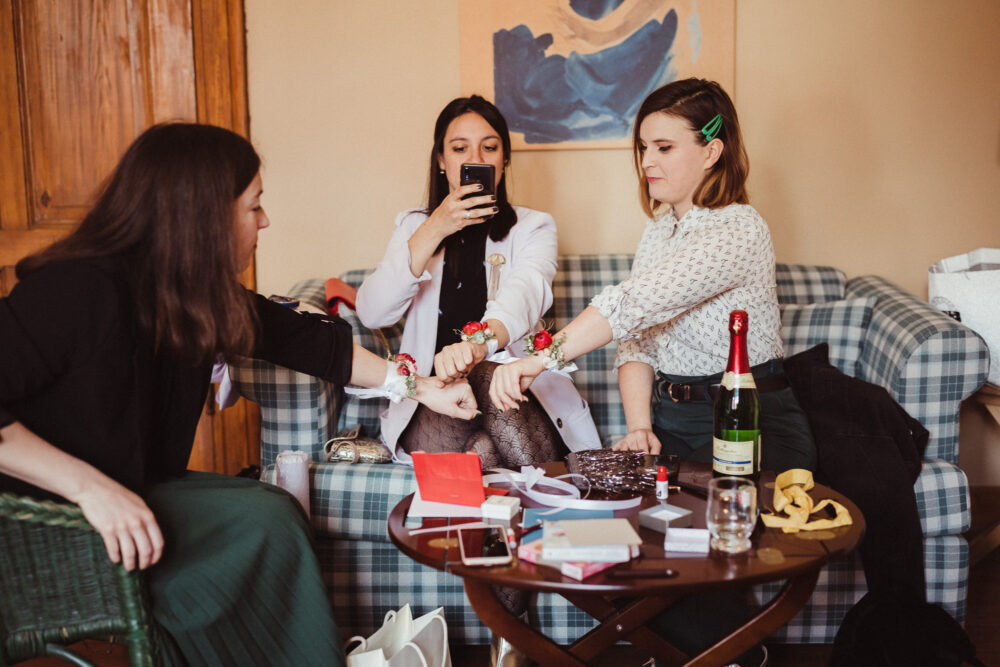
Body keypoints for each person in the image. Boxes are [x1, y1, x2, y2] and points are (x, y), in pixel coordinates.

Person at [0, 123, 477, 667]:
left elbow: (308, 343)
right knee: (262, 524)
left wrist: (421, 388)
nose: (264, 220)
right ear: (203, 215)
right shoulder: (77, 288)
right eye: (254, 206)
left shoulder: (191, 294)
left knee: (273, 510)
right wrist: (91, 489)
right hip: (41, 516)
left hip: (131, 491)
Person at [489, 78, 815, 667]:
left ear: (712, 150)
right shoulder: (659, 229)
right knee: (619, 542)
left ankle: (732, 656)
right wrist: (640, 425)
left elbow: (633, 304)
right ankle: (698, 654)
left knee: (694, 549)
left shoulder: (740, 228)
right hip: (674, 423)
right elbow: (635, 339)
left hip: (746, 422)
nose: (647, 162)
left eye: (664, 147)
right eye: (643, 147)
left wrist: (539, 358)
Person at [356, 95, 600, 470]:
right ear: (441, 160)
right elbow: (373, 313)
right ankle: (557, 495)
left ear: (505, 159)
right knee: (482, 428)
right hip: (435, 402)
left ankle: (520, 497)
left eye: (490, 147)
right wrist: (436, 227)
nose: (477, 159)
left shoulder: (533, 227)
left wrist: (477, 346)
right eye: (460, 148)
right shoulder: (414, 226)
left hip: (515, 397)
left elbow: (526, 292)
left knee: (486, 416)